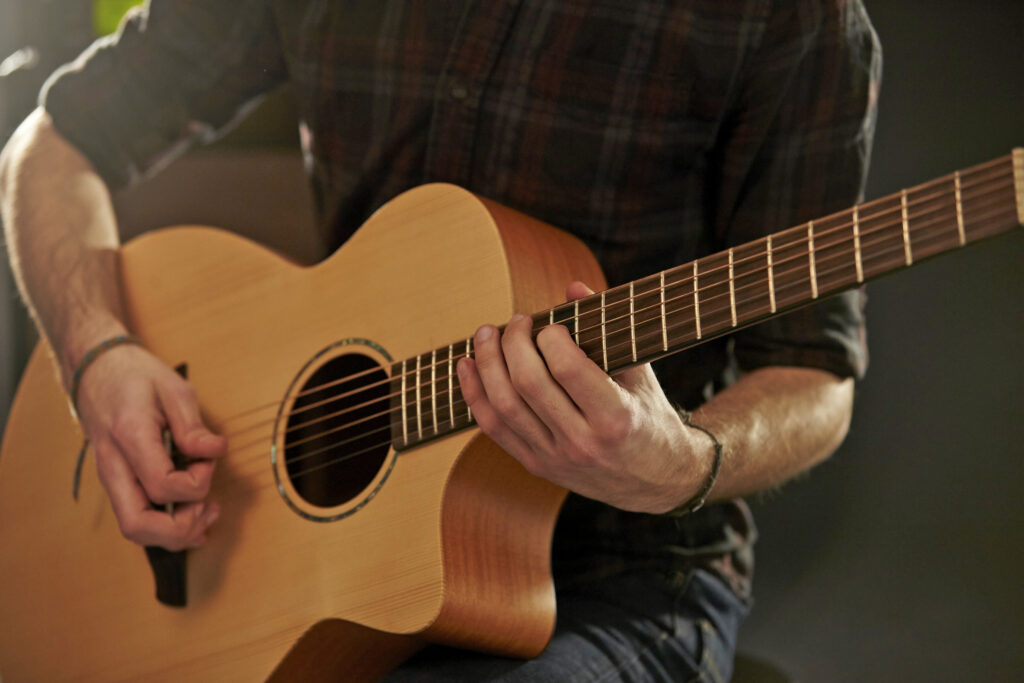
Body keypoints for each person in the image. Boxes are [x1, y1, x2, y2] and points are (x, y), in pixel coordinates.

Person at [0, 1, 880, 679]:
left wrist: (685, 461)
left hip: (622, 576)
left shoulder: (794, 18)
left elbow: (814, 369)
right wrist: (95, 354)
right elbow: (54, 143)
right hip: (316, 566)